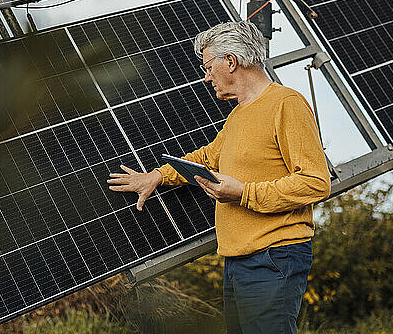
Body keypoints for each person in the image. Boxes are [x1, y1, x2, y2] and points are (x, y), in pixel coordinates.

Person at [107, 21, 331, 334]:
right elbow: (205, 157)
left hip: (274, 256)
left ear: (230, 61)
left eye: (209, 66)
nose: (206, 76)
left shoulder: (286, 104)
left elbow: (315, 181)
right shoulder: (239, 115)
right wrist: (157, 176)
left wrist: (244, 193)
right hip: (238, 260)